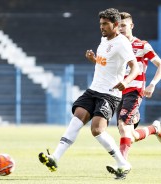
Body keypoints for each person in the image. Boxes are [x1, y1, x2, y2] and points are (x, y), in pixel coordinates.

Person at [38, 8, 139, 179]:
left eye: (105, 24)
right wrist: (95, 60)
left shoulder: (122, 43)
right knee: (77, 118)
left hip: (109, 94)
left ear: (115, 25)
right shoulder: (104, 39)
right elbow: (106, 63)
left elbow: (135, 67)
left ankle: (123, 163)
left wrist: (126, 81)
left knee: (97, 130)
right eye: (100, 24)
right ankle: (54, 158)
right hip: (93, 90)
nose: (102, 27)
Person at [106, 12, 161, 178]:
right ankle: (153, 129)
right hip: (117, 93)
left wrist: (152, 84)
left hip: (134, 92)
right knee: (128, 134)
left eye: (124, 25)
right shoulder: (114, 45)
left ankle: (122, 167)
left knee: (123, 126)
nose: (121, 29)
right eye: (119, 26)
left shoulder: (142, 45)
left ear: (131, 26)